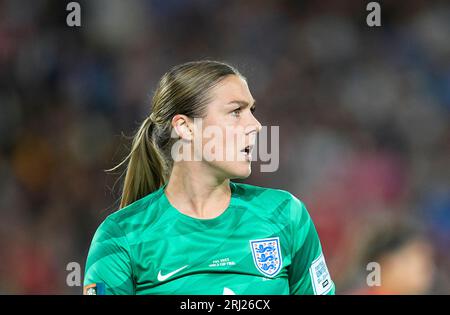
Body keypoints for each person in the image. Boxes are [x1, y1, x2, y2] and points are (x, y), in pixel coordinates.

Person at [83, 60, 335, 295]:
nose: (256, 125)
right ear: (185, 126)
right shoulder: (120, 236)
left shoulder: (285, 215)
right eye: (236, 111)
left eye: (252, 110)